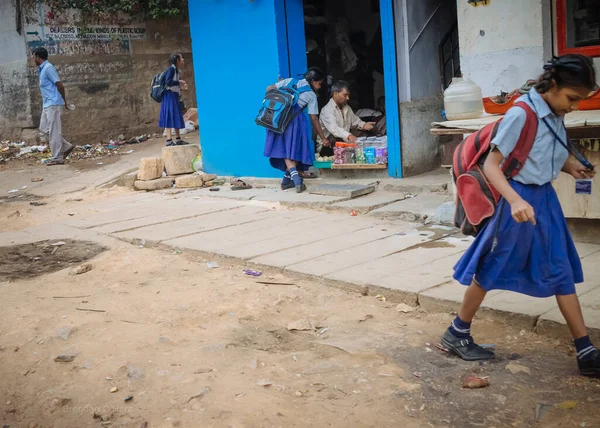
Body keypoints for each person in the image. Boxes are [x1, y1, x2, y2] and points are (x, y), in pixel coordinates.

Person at [441, 54, 600, 377]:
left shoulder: (554, 111)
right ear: (552, 86)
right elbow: (491, 165)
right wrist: (514, 201)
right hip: (519, 201)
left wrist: (572, 168)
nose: (574, 106)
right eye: (572, 98)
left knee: (560, 267)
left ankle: (585, 350)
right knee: (492, 266)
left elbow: (540, 155)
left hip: (544, 200)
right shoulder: (521, 114)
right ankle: (457, 331)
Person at [263, 68, 330, 193]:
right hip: (295, 122)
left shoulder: (289, 81)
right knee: (295, 150)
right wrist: (323, 137)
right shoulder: (311, 95)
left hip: (277, 119)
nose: (319, 87)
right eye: (319, 83)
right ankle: (297, 180)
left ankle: (287, 181)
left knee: (286, 151)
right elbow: (314, 118)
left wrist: (280, 93)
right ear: (313, 81)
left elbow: (268, 89)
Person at [33, 47, 73, 166]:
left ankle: (57, 158)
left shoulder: (48, 68)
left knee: (54, 132)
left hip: (54, 103)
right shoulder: (42, 69)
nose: (33, 59)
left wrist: (64, 101)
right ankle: (66, 146)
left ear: (38, 57)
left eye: (34, 57)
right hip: (47, 104)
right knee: (44, 128)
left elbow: (60, 85)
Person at [317, 81, 375, 154]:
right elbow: (334, 128)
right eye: (345, 95)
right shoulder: (327, 110)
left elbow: (355, 121)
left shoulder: (347, 108)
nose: (347, 98)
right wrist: (349, 135)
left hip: (342, 146)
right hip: (327, 148)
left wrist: (364, 125)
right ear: (335, 94)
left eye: (348, 95)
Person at [159, 53, 189, 146]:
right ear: (177, 61)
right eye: (181, 58)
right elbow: (168, 82)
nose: (183, 60)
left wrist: (180, 87)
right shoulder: (171, 69)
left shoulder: (176, 70)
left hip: (174, 95)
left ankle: (178, 139)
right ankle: (169, 140)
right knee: (169, 116)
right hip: (169, 96)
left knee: (176, 115)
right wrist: (179, 82)